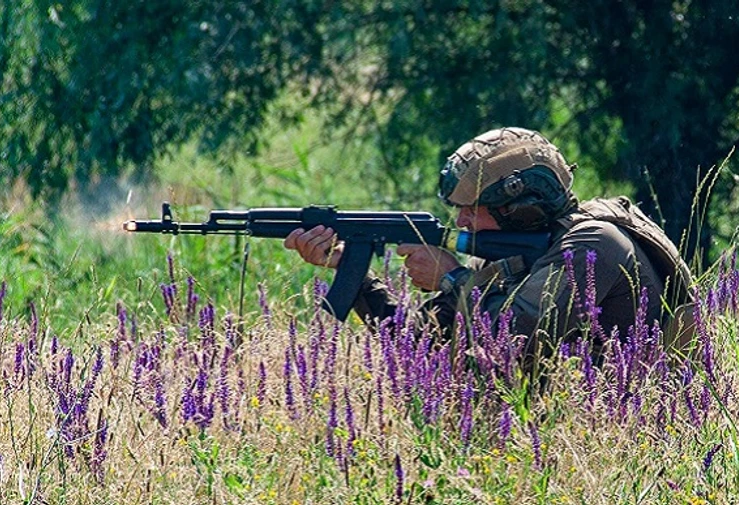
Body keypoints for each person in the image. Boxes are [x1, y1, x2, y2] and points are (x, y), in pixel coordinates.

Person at [284, 127, 693, 370]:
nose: (460, 222)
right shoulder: (506, 259)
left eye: (470, 210)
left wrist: (451, 278)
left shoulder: (595, 246)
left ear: (522, 210)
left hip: (627, 440)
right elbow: (416, 348)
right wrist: (351, 273)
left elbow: (512, 334)